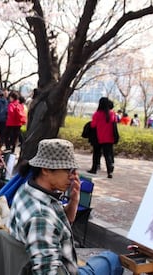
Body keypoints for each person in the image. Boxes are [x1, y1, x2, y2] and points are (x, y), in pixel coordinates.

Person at [7, 139, 123, 274]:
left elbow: (60, 223)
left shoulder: (27, 190)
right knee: (113, 261)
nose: (73, 177)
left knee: (109, 258)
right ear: (46, 169)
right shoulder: (41, 218)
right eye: (69, 170)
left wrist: (74, 201)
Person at [88, 97, 116, 178]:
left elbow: (93, 125)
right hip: (109, 137)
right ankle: (109, 172)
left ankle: (94, 169)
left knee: (96, 154)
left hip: (99, 137)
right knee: (108, 155)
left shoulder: (97, 114)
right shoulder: (112, 114)